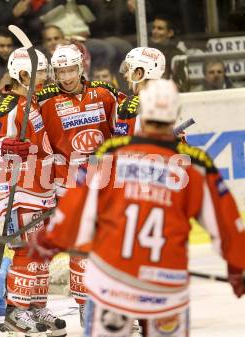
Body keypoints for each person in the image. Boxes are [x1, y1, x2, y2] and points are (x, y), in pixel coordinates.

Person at [34, 79, 245, 337]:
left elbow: (74, 210)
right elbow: (227, 225)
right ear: (174, 113)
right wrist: (238, 267)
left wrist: (48, 242)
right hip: (166, 284)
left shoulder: (110, 152)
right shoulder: (193, 163)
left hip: (112, 282)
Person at [0, 47, 64, 335]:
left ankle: (36, 307)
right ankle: (16, 312)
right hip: (17, 187)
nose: (45, 78)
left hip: (40, 185)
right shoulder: (4, 104)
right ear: (23, 74)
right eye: (39, 73)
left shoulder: (33, 100)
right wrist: (4, 146)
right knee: (26, 249)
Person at [36, 43, 121, 326]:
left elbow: (126, 124)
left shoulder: (105, 93)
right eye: (61, 72)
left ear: (81, 67)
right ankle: (87, 308)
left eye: (71, 69)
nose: (67, 76)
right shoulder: (44, 100)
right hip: (67, 184)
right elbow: (22, 122)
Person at [115, 47, 165, 137]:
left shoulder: (130, 104)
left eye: (128, 70)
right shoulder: (168, 101)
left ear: (139, 73)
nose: (125, 75)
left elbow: (120, 145)